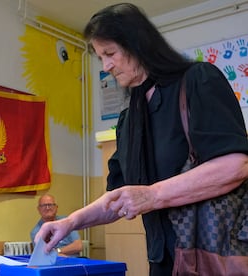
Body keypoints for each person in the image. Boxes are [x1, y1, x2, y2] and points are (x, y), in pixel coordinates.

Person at [34, 3, 248, 276]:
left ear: (138, 44)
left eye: (110, 53)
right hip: (163, 261)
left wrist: (152, 194)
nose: (106, 66)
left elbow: (235, 165)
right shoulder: (129, 118)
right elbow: (118, 198)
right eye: (101, 57)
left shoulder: (197, 81)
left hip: (215, 257)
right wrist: (71, 222)